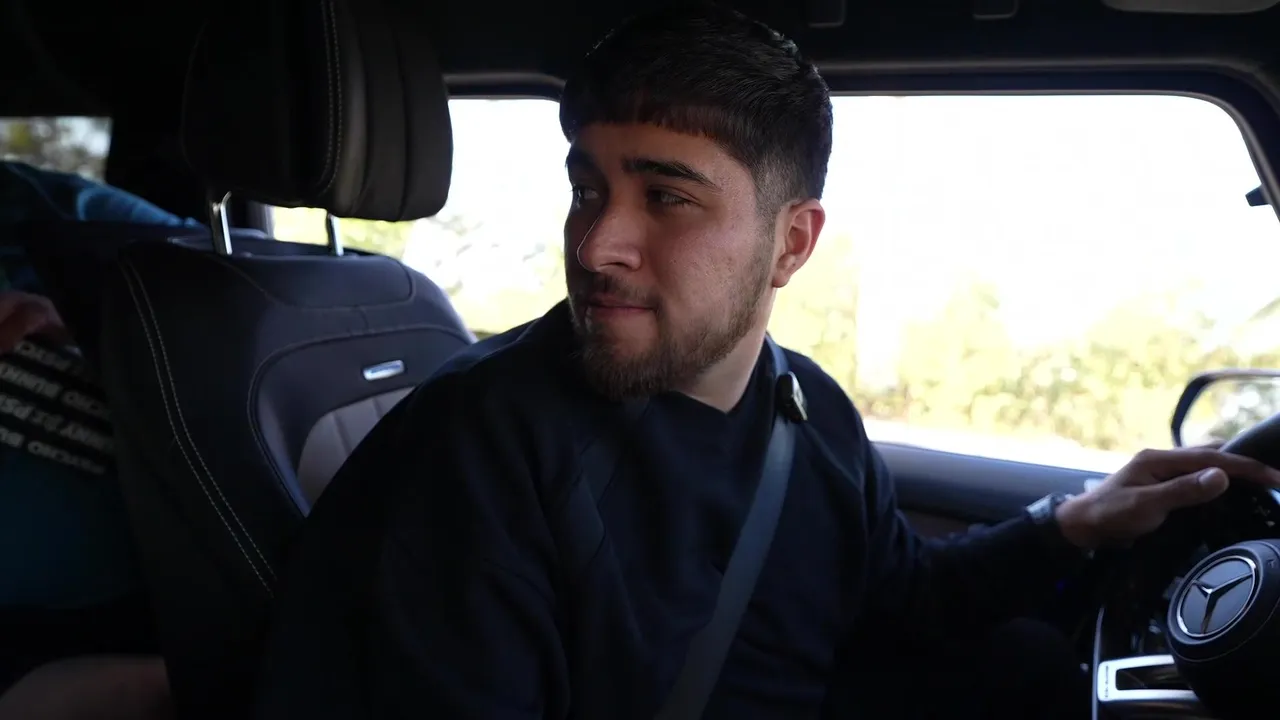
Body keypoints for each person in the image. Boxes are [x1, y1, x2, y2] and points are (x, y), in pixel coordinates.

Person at [249, 5, 1280, 720]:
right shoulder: (479, 449)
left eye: (665, 196)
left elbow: (899, 599)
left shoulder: (806, 411)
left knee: (1025, 673)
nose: (596, 243)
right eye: (587, 188)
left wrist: (1073, 521)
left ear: (791, 243)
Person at [0, 160, 195, 719]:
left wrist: (93, 323)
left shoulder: (29, 210)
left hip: (227, 569)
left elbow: (246, 278)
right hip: (102, 639)